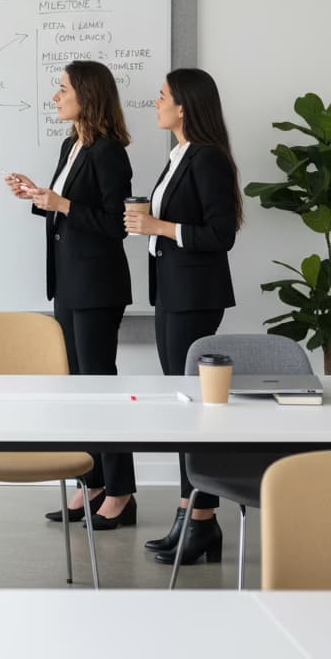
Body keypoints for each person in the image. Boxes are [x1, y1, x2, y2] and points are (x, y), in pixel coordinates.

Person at [7, 60, 136, 530]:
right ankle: (95, 487)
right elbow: (70, 214)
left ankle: (121, 493)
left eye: (63, 90)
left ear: (87, 95)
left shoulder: (109, 152)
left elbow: (115, 224)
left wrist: (62, 203)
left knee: (101, 389)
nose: (55, 97)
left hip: (98, 285)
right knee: (80, 389)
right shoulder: (72, 145)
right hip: (69, 283)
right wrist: (40, 198)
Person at [124, 68, 241, 567]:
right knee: (183, 406)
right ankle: (190, 516)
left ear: (185, 107)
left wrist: (159, 225)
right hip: (173, 290)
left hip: (194, 294)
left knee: (193, 409)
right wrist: (154, 225)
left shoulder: (209, 158)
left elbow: (221, 235)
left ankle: (200, 520)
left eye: (163, 97)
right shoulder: (180, 156)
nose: (156, 103)